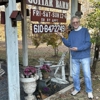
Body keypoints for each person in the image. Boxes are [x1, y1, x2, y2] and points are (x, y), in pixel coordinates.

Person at [57, 16, 93, 99]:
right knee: (75, 75)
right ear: (72, 24)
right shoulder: (72, 33)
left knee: (87, 74)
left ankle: (89, 91)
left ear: (79, 22)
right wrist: (62, 37)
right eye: (73, 22)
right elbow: (69, 44)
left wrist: (78, 49)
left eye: (77, 22)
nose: (75, 24)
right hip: (75, 57)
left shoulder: (85, 31)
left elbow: (88, 44)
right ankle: (77, 88)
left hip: (84, 57)